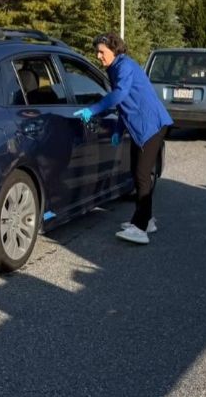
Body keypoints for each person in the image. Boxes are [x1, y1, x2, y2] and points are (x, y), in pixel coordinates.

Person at [73, 33, 173, 245]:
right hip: (141, 126)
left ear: (114, 49)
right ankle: (147, 220)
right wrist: (119, 128)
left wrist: (93, 109)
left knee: (142, 175)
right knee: (137, 173)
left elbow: (119, 94)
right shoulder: (115, 68)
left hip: (151, 126)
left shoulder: (124, 66)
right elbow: (124, 103)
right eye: (97, 51)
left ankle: (140, 228)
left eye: (102, 51)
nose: (98, 55)